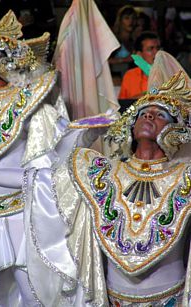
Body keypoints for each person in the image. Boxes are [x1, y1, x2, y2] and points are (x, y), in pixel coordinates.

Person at [15, 50, 190, 305]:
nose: (149, 115)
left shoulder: (184, 175)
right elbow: (49, 172)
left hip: (170, 297)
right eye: (143, 112)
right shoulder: (103, 171)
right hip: (112, 297)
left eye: (161, 114)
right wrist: (90, 131)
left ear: (176, 130)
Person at [0, 4, 105, 305]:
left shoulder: (32, 104)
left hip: (15, 215)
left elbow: (43, 173)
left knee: (32, 290)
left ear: (11, 61)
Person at [118, 31, 160, 100]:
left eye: (158, 48)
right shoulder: (130, 75)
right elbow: (123, 104)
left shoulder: (168, 73)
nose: (157, 52)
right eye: (150, 49)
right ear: (139, 54)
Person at [109, 5, 137, 77]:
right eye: (127, 18)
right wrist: (124, 60)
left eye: (133, 18)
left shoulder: (135, 40)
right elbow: (104, 61)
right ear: (120, 20)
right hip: (115, 78)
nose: (131, 21)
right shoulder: (113, 39)